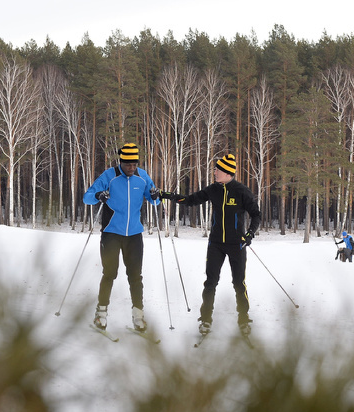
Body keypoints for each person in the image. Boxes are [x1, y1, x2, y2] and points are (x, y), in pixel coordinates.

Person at [159, 153, 261, 336]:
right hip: (215, 244)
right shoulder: (213, 190)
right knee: (210, 283)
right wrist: (169, 196)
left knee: (239, 283)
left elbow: (256, 214)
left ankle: (244, 320)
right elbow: (190, 201)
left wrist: (249, 234)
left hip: (236, 245)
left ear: (227, 172)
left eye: (217, 169)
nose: (214, 172)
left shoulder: (241, 191)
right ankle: (205, 320)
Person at [83, 143, 161, 332]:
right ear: (121, 161)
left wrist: (156, 195)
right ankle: (101, 314)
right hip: (111, 233)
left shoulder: (142, 176)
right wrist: (99, 195)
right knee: (109, 273)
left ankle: (138, 316)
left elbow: (155, 199)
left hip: (134, 235)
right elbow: (87, 197)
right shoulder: (109, 176)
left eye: (134, 164)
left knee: (135, 276)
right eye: (128, 165)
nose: (131, 168)